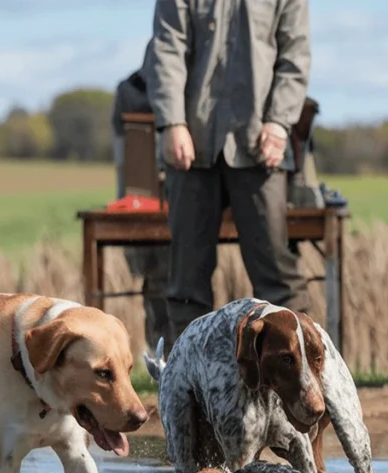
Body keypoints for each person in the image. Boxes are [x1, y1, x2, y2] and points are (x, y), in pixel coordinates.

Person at [145, 0, 312, 346]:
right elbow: (167, 48)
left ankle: (292, 380)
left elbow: (295, 55)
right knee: (186, 282)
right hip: (191, 143)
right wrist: (172, 122)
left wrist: (279, 123)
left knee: (278, 278)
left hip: (259, 145)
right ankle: (189, 384)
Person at [111, 51, 170, 351]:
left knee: (180, 280)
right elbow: (126, 158)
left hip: (187, 196)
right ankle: (161, 353)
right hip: (144, 200)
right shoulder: (129, 92)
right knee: (155, 278)